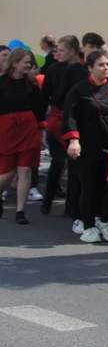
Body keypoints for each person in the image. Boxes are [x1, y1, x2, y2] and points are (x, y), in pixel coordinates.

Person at [61, 49, 108, 243]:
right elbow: (69, 116)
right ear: (90, 68)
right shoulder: (78, 90)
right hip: (87, 146)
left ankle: (103, 220)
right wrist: (73, 140)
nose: (106, 68)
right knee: (88, 187)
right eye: (101, 65)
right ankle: (88, 225)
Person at [0, 48, 46, 224]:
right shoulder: (1, 83)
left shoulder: (32, 85)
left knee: (25, 170)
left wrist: (41, 133)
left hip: (27, 129)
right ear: (15, 63)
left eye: (30, 62)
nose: (29, 65)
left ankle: (20, 211)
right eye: (26, 62)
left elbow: (40, 112)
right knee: (7, 174)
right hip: (6, 130)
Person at [41, 34, 81, 215]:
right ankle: (48, 200)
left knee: (73, 165)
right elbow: (46, 95)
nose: (58, 53)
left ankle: (69, 206)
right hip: (58, 119)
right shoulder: (53, 69)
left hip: (74, 119)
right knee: (58, 162)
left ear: (72, 51)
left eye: (61, 50)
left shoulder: (81, 70)